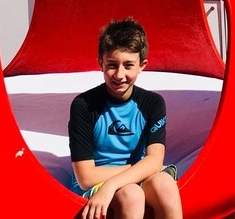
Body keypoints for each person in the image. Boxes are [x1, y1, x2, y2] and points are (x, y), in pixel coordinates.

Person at [68, 18, 183, 219]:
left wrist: (113, 184)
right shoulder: (84, 105)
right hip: (98, 184)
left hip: (128, 179)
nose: (119, 74)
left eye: (128, 65)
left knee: (165, 184)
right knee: (132, 195)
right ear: (100, 64)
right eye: (112, 65)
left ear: (142, 65)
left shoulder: (152, 103)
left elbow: (155, 161)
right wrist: (137, 170)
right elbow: (86, 177)